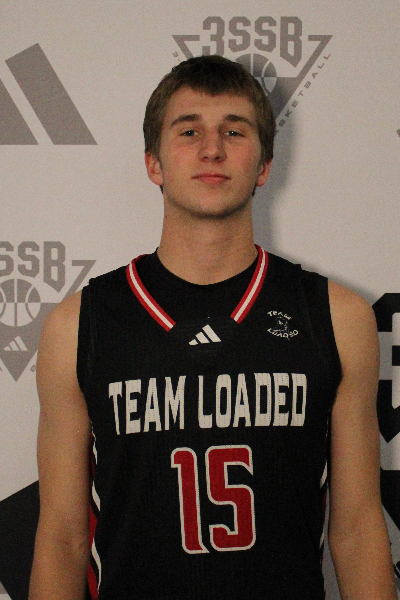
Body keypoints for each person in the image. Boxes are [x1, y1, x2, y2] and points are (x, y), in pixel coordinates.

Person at [29, 55, 396, 600]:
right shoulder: (79, 325)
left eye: (234, 130)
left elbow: (359, 529)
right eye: (188, 131)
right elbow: (62, 538)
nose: (212, 149)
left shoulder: (336, 318)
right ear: (153, 163)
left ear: (264, 166)